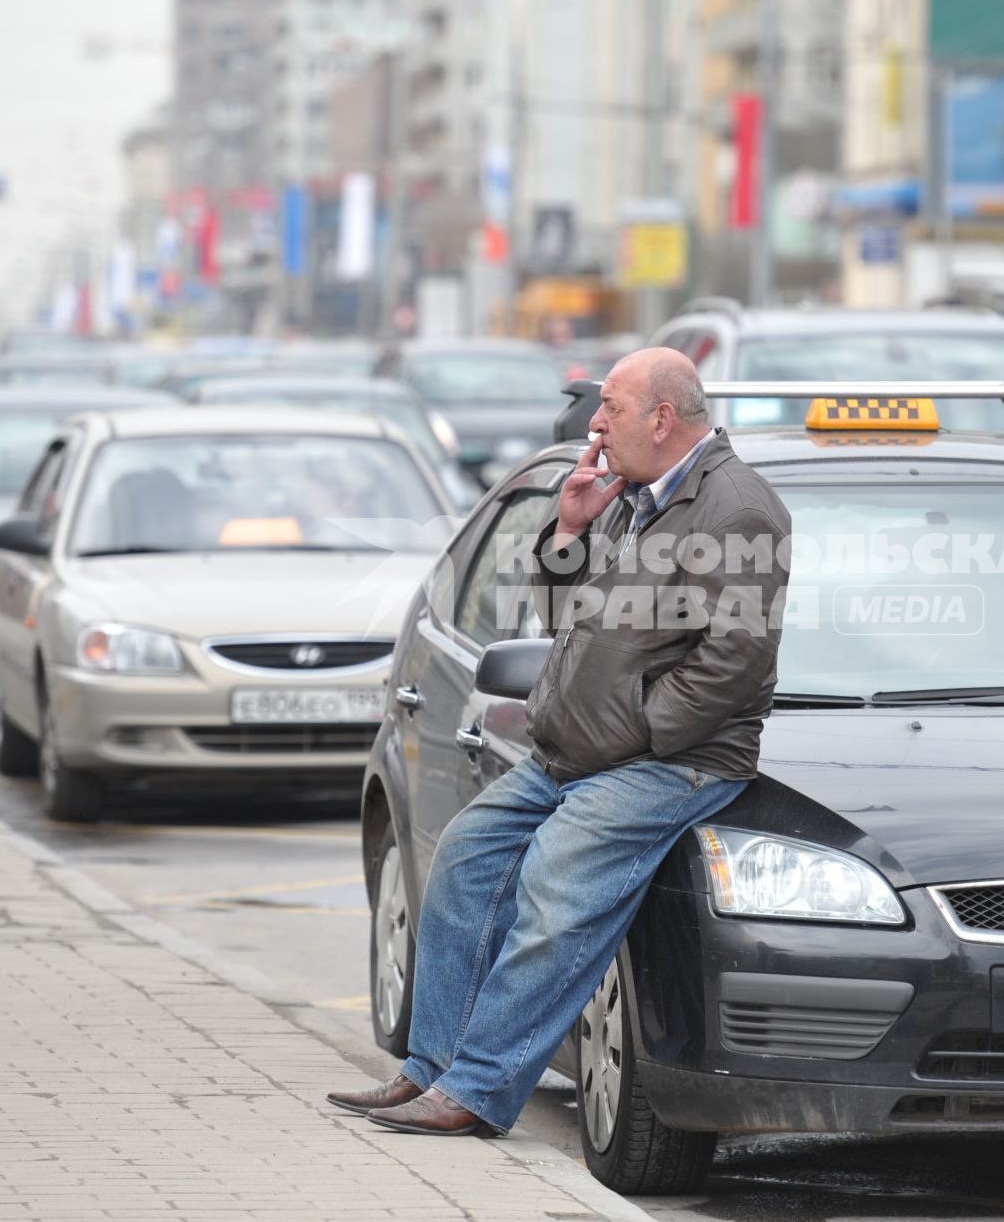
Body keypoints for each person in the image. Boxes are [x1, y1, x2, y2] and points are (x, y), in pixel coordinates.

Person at [328, 348, 792, 1136]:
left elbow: (736, 664)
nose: (596, 423)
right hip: (578, 751)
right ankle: (430, 1067)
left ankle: (476, 1091)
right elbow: (566, 620)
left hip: (671, 762)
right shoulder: (629, 496)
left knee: (554, 884)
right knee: (467, 856)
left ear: (662, 418)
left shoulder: (739, 510)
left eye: (610, 406)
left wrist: (642, 727)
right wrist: (568, 530)